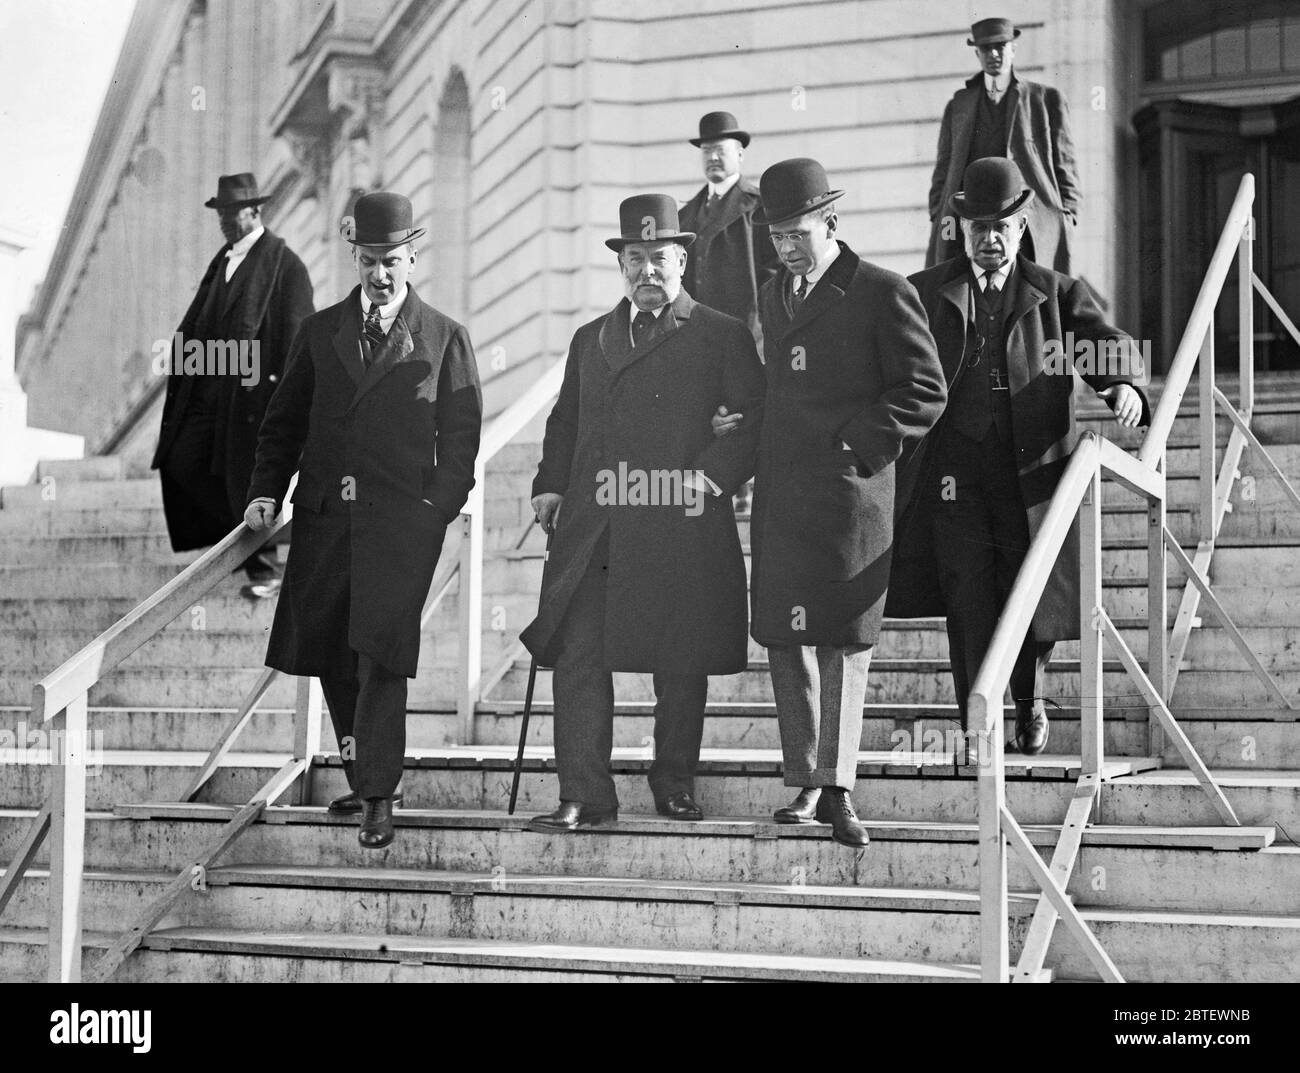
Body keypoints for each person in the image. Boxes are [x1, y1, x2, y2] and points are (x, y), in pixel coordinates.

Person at [714, 159, 947, 847]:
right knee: (786, 638)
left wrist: (857, 445)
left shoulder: (880, 290)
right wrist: (741, 423)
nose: (787, 248)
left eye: (799, 234)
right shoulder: (775, 292)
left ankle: (840, 787)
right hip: (784, 497)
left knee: (844, 640)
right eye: (778, 237)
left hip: (849, 502)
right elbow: (775, 390)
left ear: (832, 224)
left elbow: (924, 389)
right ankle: (805, 781)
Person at [244, 192, 482, 848]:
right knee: (331, 654)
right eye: (371, 260)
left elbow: (461, 440)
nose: (382, 274)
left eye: (393, 260)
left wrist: (434, 511)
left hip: (400, 528)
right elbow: (283, 422)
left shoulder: (444, 337)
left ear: (413, 256)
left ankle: (378, 795)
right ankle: (364, 771)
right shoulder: (319, 333)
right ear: (356, 256)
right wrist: (266, 491)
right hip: (324, 519)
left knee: (380, 657)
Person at [522, 193, 765, 832]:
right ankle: (584, 794)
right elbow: (565, 420)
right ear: (622, 265)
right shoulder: (590, 339)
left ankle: (674, 782)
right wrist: (550, 485)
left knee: (679, 659)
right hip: (596, 525)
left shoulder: (721, 333)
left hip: (678, 521)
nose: (647, 271)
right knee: (577, 657)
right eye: (635, 258)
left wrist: (710, 479)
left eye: (659, 257)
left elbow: (750, 422)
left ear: (682, 260)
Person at [890, 157, 1147, 755]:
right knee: (966, 594)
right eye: (978, 227)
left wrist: (1123, 384)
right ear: (962, 229)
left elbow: (1098, 341)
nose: (989, 239)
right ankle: (973, 724)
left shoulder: (1054, 293)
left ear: (1023, 222)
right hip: (954, 475)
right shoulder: (927, 292)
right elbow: (891, 361)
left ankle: (1029, 703)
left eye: (1001, 225)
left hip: (1028, 473)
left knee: (1029, 591)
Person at [152, 173, 314, 599]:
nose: (225, 221)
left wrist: (282, 391)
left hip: (254, 394)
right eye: (221, 213)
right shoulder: (222, 261)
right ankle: (236, 549)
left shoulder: (285, 264)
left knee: (247, 477)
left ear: (255, 212)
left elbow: (298, 337)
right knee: (183, 460)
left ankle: (265, 566)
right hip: (210, 391)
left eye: (233, 213)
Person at [926, 18, 1080, 273]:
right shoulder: (959, 104)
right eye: (986, 49)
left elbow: (1066, 166)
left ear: (1013, 49)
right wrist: (938, 211)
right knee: (952, 285)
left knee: (1035, 290)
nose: (994, 54)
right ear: (977, 53)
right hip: (967, 219)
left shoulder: (1045, 100)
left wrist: (1067, 215)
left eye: (1000, 46)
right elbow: (944, 168)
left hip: (1029, 218)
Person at [678, 111, 779, 346]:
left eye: (720, 150)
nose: (712, 157)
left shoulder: (759, 206)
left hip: (748, 339)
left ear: (740, 154)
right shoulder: (686, 215)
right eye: (706, 151)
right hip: (698, 341)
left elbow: (775, 275)